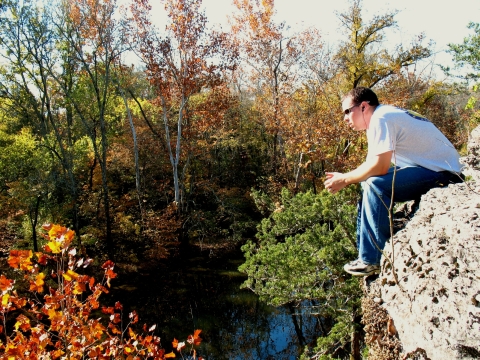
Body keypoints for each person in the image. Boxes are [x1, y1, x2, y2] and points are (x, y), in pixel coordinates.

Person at [324, 87, 464, 276]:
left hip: (444, 173)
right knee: (367, 183)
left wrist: (345, 179)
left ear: (364, 106)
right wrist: (347, 177)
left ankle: (372, 259)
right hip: (432, 168)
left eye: (348, 111)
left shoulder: (382, 118)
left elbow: (379, 168)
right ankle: (365, 252)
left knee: (374, 185)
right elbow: (371, 165)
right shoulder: (380, 117)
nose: (345, 118)